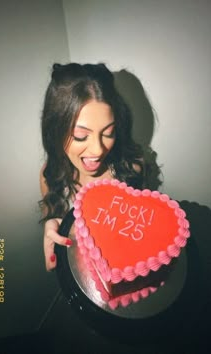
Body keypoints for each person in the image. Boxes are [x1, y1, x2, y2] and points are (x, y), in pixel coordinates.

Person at [39, 62, 145, 271]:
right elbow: (54, 220)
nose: (98, 150)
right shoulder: (49, 176)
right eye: (80, 136)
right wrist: (53, 226)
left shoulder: (131, 169)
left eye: (108, 133)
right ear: (55, 131)